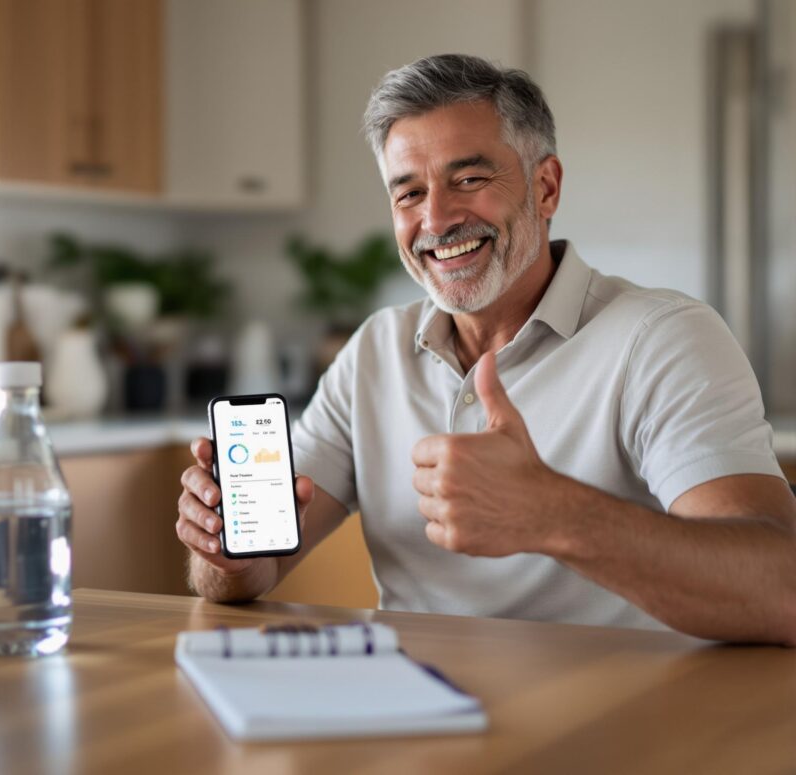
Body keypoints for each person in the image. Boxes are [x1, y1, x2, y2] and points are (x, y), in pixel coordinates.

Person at [176, 54, 796, 644]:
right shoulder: (374, 351)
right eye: (409, 193)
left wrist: (554, 514)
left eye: (469, 179)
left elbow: (780, 590)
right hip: (413, 725)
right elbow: (250, 575)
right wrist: (223, 552)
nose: (438, 219)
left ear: (546, 187)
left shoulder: (662, 338)